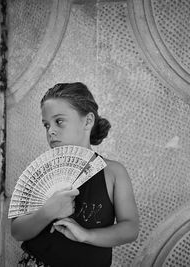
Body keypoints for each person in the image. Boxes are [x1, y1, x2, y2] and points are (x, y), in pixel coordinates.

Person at [11, 82, 139, 267]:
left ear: (88, 121)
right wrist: (48, 211)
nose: (51, 131)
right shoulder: (41, 172)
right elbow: (17, 232)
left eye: (59, 121)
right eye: (46, 125)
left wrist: (86, 236)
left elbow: (130, 229)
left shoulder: (113, 172)